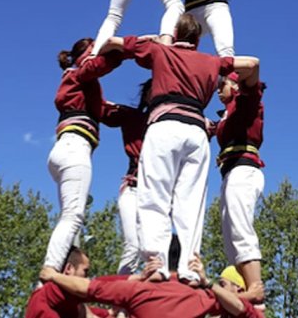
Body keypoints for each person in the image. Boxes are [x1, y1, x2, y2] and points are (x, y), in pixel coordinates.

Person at [98, 14, 260, 284]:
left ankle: (156, 262)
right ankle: (189, 267)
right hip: (196, 131)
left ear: (175, 34)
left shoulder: (160, 51)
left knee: (154, 195)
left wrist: (149, 40)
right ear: (197, 39)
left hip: (165, 126)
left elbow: (111, 43)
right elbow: (252, 63)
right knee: (191, 201)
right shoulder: (211, 61)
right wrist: (246, 81)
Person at [43, 38, 123, 272]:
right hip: (75, 148)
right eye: (92, 50)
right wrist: (122, 50)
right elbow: (97, 66)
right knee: (73, 217)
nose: (97, 54)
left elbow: (108, 113)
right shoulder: (79, 73)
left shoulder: (83, 84)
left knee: (69, 219)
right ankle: (50, 272)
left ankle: (63, 270)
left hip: (66, 149)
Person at [39, 239, 262, 318]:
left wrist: (53, 275)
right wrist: (250, 295)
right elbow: (234, 305)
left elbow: (88, 287)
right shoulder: (201, 298)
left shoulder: (137, 291)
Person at [215, 70, 266, 303]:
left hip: (243, 169)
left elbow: (252, 79)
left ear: (235, 86)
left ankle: (256, 294)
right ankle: (246, 292)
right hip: (230, 172)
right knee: (230, 239)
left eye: (221, 85)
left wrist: (228, 65)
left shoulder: (245, 101)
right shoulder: (226, 114)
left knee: (240, 229)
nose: (217, 90)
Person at [100, 80, 151, 274]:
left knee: (152, 249)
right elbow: (102, 108)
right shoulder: (133, 116)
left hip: (158, 193)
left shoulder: (174, 123)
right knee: (133, 245)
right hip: (133, 187)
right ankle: (121, 299)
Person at [25, 248, 112, 318]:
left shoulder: (71, 305)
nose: (87, 278)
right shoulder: (48, 294)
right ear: (68, 269)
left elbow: (104, 313)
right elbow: (92, 288)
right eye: (85, 271)